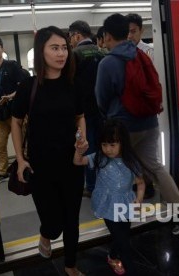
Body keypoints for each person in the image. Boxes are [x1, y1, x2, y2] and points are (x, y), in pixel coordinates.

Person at [95, 13, 179, 235]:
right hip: (149, 123)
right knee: (156, 167)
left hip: (122, 128)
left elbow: (101, 99)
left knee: (118, 172)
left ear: (108, 36)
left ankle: (121, 222)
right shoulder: (142, 55)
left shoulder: (108, 62)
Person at [11, 26, 87, 276]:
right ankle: (45, 235)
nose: (61, 53)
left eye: (64, 47)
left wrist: (81, 143)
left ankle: (70, 266)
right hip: (40, 166)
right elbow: (16, 121)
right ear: (41, 52)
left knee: (71, 219)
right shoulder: (29, 86)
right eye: (54, 48)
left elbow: (80, 117)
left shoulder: (73, 85)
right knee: (54, 224)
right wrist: (20, 160)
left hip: (71, 164)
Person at [73, 119, 146, 275]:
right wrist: (79, 150)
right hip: (106, 204)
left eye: (112, 145)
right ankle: (130, 270)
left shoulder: (131, 161)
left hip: (126, 204)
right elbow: (77, 161)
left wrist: (139, 199)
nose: (107, 149)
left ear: (123, 143)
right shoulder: (99, 157)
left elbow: (140, 184)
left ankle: (112, 256)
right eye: (104, 144)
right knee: (124, 244)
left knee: (123, 235)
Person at [68, 20, 105, 198]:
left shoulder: (74, 54)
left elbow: (70, 83)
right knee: (103, 145)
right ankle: (104, 179)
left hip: (83, 111)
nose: (70, 41)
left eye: (70, 37)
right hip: (102, 110)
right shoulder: (103, 52)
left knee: (87, 146)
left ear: (77, 35)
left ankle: (91, 185)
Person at [0, 36, 26, 183]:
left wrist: (9, 97)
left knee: (21, 142)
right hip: (1, 114)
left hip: (16, 112)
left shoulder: (12, 66)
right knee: (0, 144)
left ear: (2, 49)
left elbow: (23, 87)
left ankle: (23, 165)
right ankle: (3, 171)